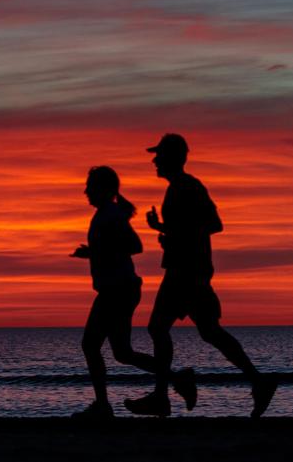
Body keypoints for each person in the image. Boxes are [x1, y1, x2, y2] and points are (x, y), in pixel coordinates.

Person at [124, 134, 277, 418]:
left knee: (162, 328)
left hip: (187, 271)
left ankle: (163, 396)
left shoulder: (188, 186)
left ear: (173, 157)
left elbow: (214, 224)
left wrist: (174, 233)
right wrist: (162, 227)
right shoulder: (177, 188)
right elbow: (189, 227)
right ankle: (258, 381)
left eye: (159, 155)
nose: (154, 161)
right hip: (185, 269)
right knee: (208, 332)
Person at [70, 165, 196, 419]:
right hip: (118, 288)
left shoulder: (111, 214)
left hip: (117, 290)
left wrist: (93, 252)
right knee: (122, 352)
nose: (86, 191)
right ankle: (178, 379)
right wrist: (94, 252)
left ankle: (103, 406)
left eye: (90, 186)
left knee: (90, 344)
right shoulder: (106, 214)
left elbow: (134, 245)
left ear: (104, 189)